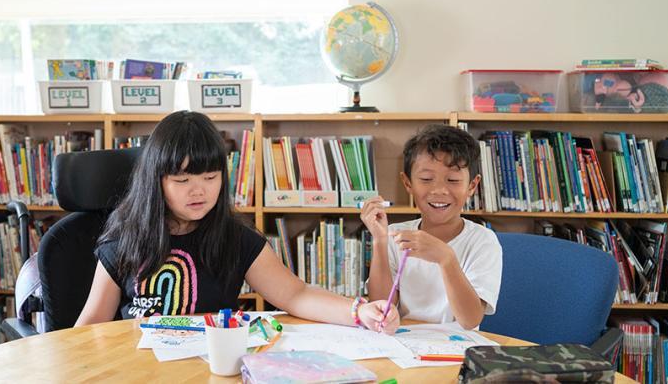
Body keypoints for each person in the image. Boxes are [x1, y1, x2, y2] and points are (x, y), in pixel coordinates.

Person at [76, 110, 399, 332]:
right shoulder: (124, 239)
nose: (198, 191)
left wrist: (358, 311)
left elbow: (295, 295)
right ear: (155, 181)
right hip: (138, 367)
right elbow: (91, 325)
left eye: (210, 177)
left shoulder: (235, 237)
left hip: (210, 364)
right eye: (182, 181)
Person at [361, 124, 502, 330]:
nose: (439, 190)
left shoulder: (483, 241)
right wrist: (380, 241)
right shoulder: (396, 236)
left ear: (472, 186)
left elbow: (470, 320)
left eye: (453, 180)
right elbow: (382, 307)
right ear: (408, 183)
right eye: (426, 179)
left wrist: (446, 258)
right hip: (404, 344)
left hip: (457, 349)